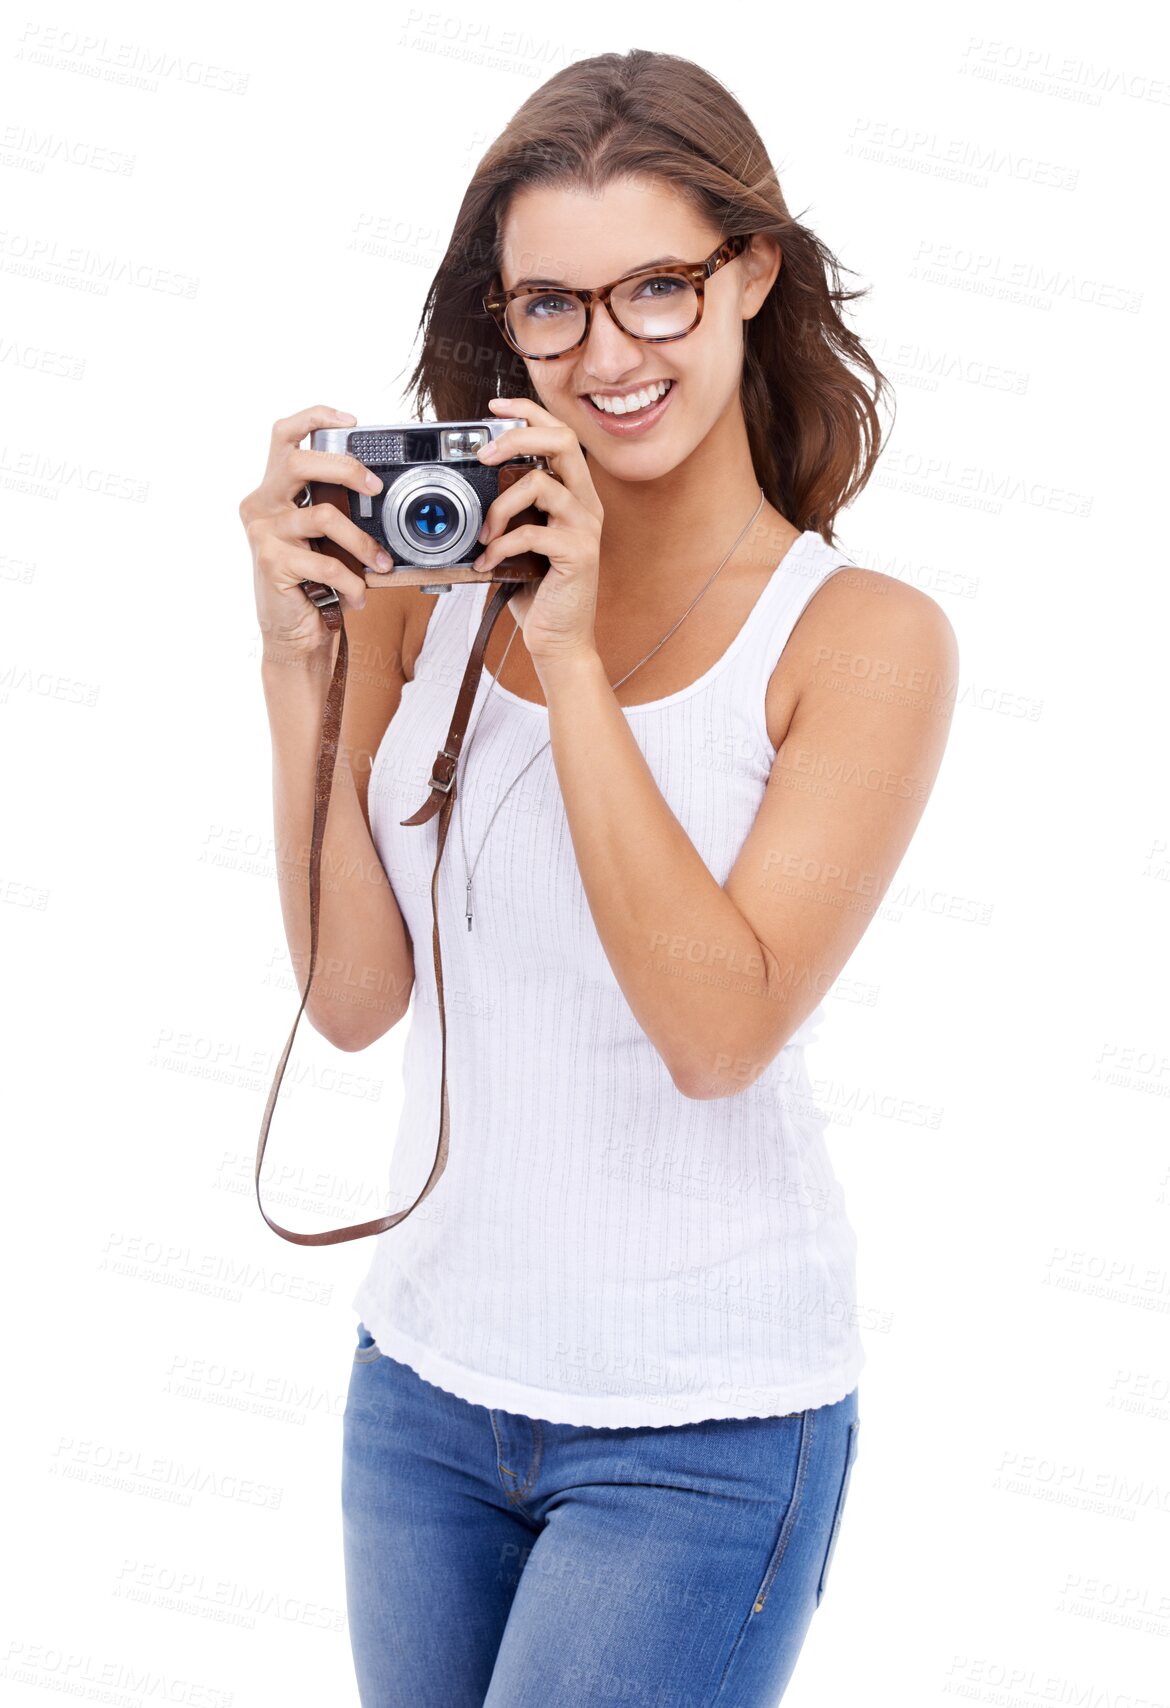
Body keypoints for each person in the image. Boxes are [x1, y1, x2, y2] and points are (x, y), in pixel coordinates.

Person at [239, 47, 957, 1708]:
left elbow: (717, 1031)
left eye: (655, 288)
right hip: (419, 1390)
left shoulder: (856, 642)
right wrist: (298, 666)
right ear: (502, 323)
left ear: (751, 272)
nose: (605, 355)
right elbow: (354, 1003)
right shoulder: (428, 593)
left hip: (701, 1431)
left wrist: (565, 656)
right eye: (548, 307)